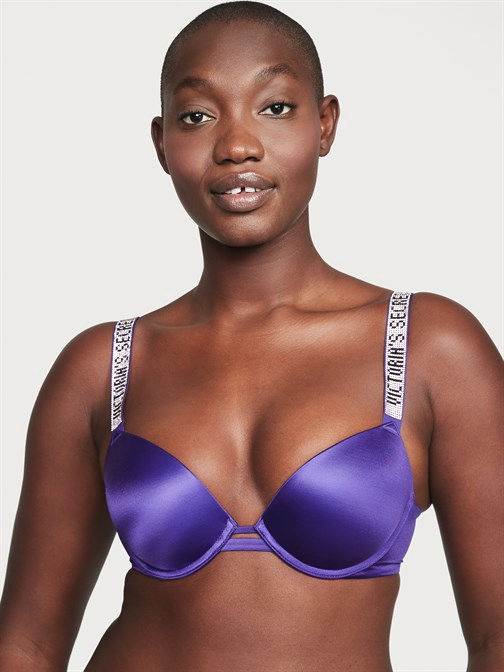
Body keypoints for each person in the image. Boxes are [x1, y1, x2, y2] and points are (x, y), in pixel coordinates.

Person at [0, 1, 503, 670]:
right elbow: (27, 643)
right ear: (161, 144)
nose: (236, 145)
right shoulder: (103, 368)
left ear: (325, 124)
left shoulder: (429, 349)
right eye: (197, 116)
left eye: (275, 107)